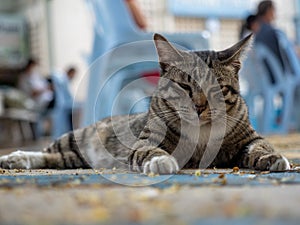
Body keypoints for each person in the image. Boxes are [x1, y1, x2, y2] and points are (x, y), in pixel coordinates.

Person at [51, 66, 77, 138]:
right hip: (60, 105)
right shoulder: (61, 78)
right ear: (71, 72)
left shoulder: (65, 80)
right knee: (59, 124)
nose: (74, 77)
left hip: (63, 105)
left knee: (63, 125)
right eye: (73, 74)